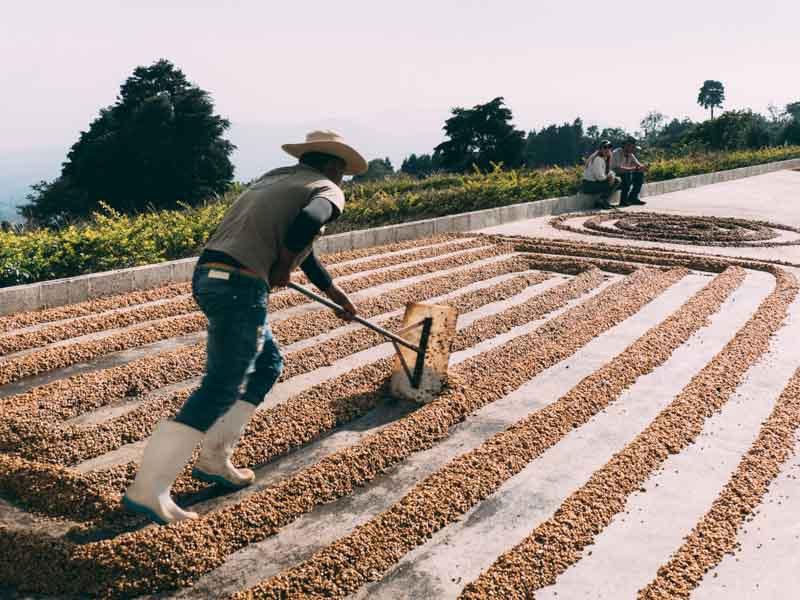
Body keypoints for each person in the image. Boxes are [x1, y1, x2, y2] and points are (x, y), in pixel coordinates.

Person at [123, 130, 368, 525]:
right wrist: (282, 266)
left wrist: (336, 295)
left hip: (210, 276)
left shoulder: (276, 179)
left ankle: (215, 458)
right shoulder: (326, 189)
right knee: (221, 385)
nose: (343, 181)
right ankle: (148, 489)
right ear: (334, 166)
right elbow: (309, 222)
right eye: (343, 172)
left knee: (267, 364)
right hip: (239, 285)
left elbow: (303, 249)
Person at [582, 140, 620, 209]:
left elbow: (607, 173)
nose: (607, 149)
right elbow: (600, 177)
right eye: (605, 147)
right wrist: (610, 177)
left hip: (592, 184)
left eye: (609, 147)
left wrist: (611, 175)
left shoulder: (603, 158)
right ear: (600, 149)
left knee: (615, 179)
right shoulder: (598, 159)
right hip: (589, 185)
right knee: (617, 180)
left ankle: (602, 200)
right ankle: (602, 200)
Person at [611, 138, 647, 206]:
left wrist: (643, 167)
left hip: (624, 175)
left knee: (639, 174)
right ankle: (623, 201)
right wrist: (633, 169)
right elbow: (617, 169)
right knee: (626, 175)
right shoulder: (616, 153)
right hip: (613, 177)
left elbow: (638, 165)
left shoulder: (630, 154)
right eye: (632, 147)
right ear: (626, 146)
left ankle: (633, 198)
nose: (633, 149)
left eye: (634, 147)